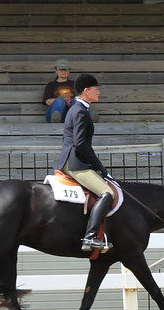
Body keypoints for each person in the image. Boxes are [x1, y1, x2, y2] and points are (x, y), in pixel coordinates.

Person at [53, 73, 113, 252]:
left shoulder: (80, 108)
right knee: (107, 192)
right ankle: (90, 237)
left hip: (72, 159)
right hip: (75, 162)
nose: (99, 93)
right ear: (86, 91)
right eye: (96, 90)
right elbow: (80, 144)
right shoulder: (79, 110)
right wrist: (100, 168)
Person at [42, 58, 75, 123]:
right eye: (61, 70)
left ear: (69, 71)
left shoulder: (75, 84)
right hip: (53, 114)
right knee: (59, 100)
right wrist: (63, 100)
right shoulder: (51, 85)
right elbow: (48, 101)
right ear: (56, 71)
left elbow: (82, 100)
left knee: (77, 101)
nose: (63, 72)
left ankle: (89, 118)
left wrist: (71, 101)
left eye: (65, 70)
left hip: (70, 115)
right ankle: (56, 119)